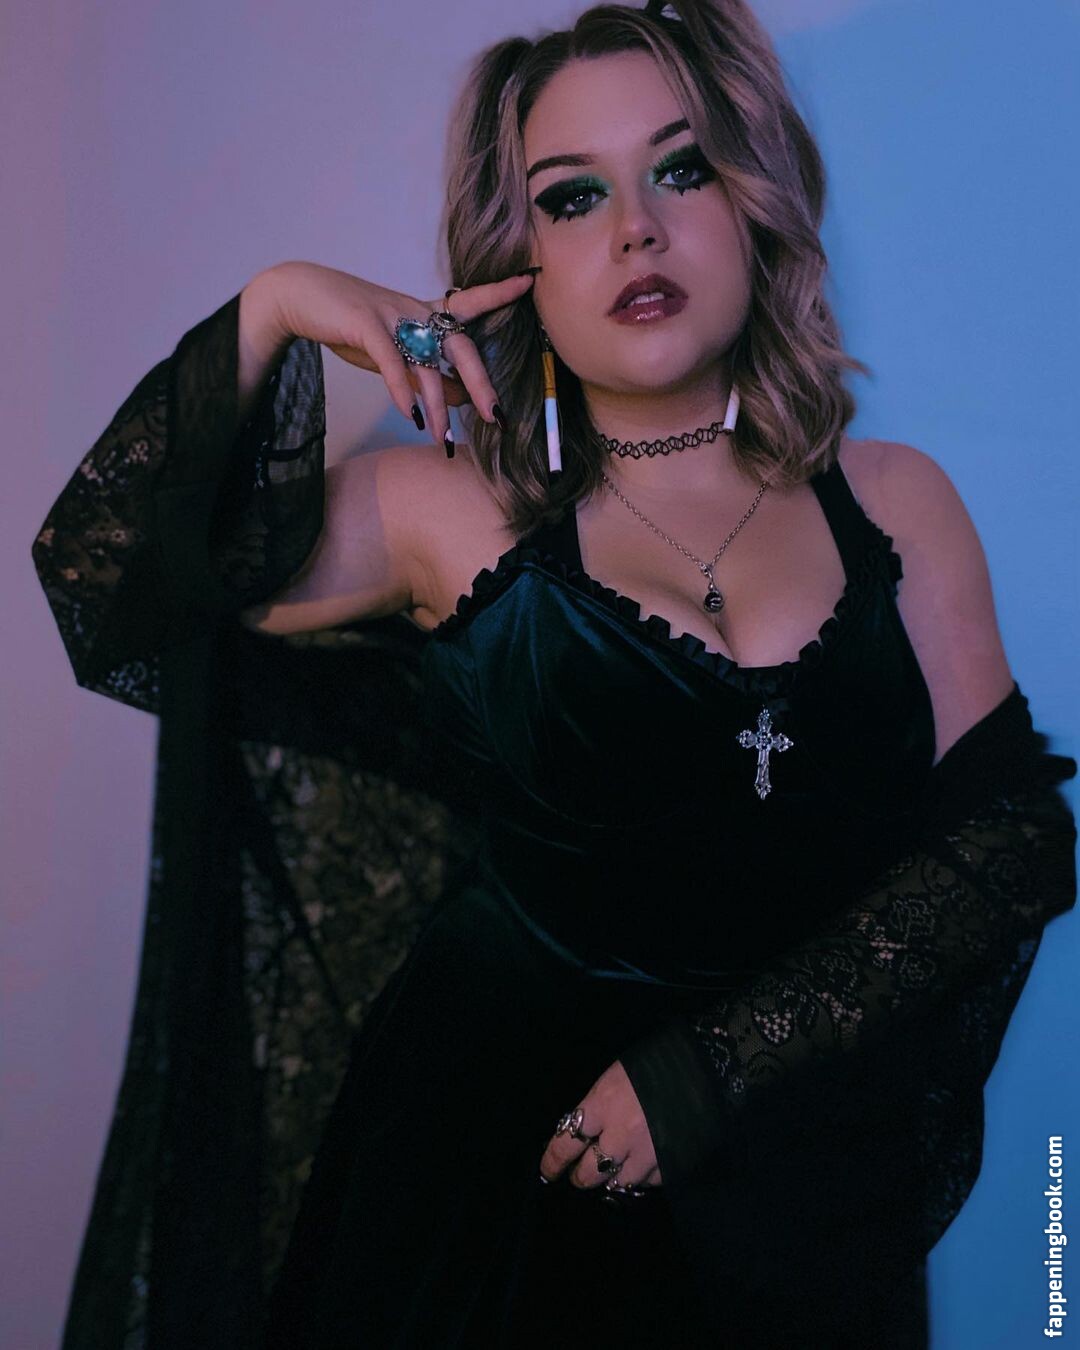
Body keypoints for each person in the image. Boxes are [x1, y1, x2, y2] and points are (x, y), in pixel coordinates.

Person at [33, 0, 1076, 1346]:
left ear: (752, 200)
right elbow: (107, 579)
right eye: (573, 197)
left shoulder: (894, 500)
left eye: (680, 169)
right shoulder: (448, 514)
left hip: (800, 1194)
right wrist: (279, 304)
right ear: (514, 257)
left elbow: (1010, 843)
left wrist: (715, 1071)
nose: (635, 229)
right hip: (493, 1203)